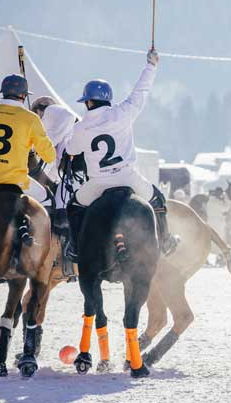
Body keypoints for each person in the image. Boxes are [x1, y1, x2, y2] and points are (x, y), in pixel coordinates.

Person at [65, 49, 179, 261]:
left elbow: (71, 151)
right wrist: (151, 65)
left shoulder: (82, 127)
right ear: (107, 99)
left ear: (88, 102)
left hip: (98, 182)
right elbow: (141, 91)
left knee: (74, 206)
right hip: (127, 177)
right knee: (157, 199)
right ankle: (165, 240)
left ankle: (75, 248)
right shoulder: (122, 113)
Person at [0, 75, 55, 207]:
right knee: (47, 199)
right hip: (16, 180)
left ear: (3, 92)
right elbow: (49, 156)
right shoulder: (31, 118)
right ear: (23, 95)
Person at [40, 103, 84, 272]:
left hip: (75, 181)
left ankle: (69, 253)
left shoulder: (67, 140)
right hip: (77, 179)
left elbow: (53, 170)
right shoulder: (69, 135)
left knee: (60, 205)